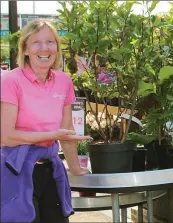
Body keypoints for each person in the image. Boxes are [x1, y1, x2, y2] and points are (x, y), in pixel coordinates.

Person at [1, 19, 92, 223]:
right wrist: (53, 136)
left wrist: (75, 168)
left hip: (51, 168)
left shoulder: (64, 81)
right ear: (25, 49)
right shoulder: (10, 81)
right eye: (36, 43)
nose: (44, 49)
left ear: (57, 48)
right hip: (16, 170)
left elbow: (66, 131)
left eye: (50, 42)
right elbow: (6, 136)